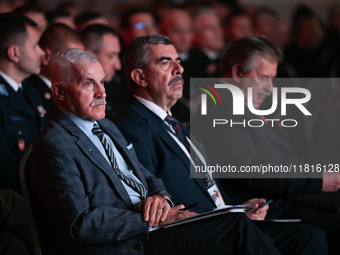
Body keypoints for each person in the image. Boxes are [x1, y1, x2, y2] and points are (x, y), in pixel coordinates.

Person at [30, 48, 281, 255]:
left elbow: (147, 176)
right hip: (129, 243)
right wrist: (155, 218)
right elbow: (82, 224)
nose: (102, 93)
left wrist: (160, 198)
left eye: (102, 82)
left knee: (257, 230)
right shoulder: (53, 145)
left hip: (157, 228)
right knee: (236, 228)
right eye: (88, 83)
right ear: (59, 93)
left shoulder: (105, 125)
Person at [112, 34, 328, 254]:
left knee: (310, 237)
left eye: (178, 61)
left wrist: (238, 207)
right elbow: (152, 201)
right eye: (165, 62)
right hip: (193, 230)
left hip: (225, 218)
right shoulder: (130, 128)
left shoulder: (173, 122)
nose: (179, 69)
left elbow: (205, 185)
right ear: (139, 77)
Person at [191, 35, 340, 255]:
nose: (270, 88)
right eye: (263, 78)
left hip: (285, 198)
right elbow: (253, 169)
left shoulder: (241, 106)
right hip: (263, 209)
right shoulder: (219, 108)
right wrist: (318, 179)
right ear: (237, 72)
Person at [0, 12, 45, 193]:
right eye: (35, 46)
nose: (42, 52)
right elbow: (5, 171)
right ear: (14, 53)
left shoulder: (29, 90)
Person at [26, 23, 84, 119]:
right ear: (46, 57)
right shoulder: (31, 92)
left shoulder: (70, 91)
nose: (79, 67)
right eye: (72, 60)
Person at [80, 24, 130, 117]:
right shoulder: (80, 99)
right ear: (89, 56)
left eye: (117, 55)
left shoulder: (117, 86)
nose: (118, 66)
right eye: (111, 56)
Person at [191, 7, 225, 78]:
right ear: (197, 34)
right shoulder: (193, 64)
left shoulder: (223, 59)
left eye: (219, 26)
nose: (218, 32)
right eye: (210, 28)